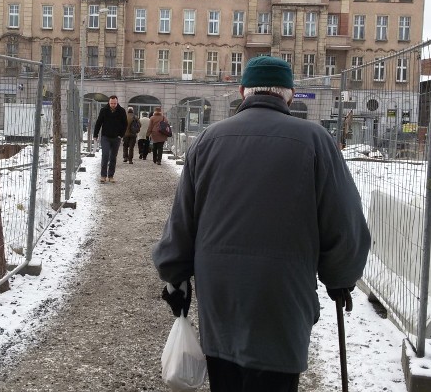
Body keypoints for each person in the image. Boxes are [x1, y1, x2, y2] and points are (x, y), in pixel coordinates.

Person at [152, 56, 371, 392]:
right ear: (291, 95)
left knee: (225, 379)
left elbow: (182, 220)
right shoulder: (315, 141)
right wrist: (340, 276)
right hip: (282, 293)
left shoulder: (208, 140)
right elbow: (345, 223)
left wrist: (174, 275)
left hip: (220, 293)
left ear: (242, 91)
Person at [92, 95, 127, 183]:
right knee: (105, 155)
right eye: (111, 103)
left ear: (117, 102)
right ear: (109, 102)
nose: (113, 105)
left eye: (115, 103)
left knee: (113, 157)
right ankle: (103, 175)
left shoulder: (121, 111)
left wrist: (121, 135)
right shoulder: (104, 110)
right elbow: (99, 122)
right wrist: (95, 134)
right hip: (105, 137)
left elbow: (125, 124)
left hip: (116, 137)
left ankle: (111, 175)